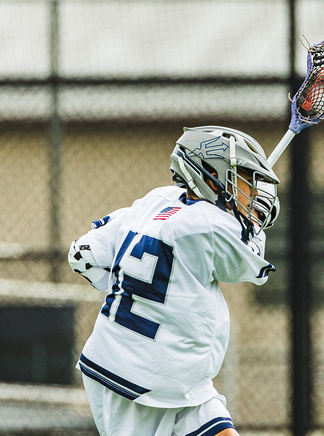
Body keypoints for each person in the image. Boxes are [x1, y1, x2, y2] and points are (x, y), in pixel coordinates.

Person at [68, 126, 280, 436]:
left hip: (175, 376)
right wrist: (253, 228)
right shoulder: (210, 224)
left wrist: (125, 287)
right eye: (245, 178)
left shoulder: (160, 199)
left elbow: (82, 254)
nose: (252, 191)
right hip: (139, 378)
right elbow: (251, 266)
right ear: (212, 176)